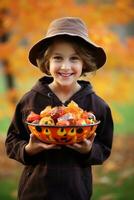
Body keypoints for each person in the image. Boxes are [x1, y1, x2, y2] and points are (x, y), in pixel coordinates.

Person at [5, 17, 113, 200]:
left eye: (74, 59)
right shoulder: (30, 101)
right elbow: (11, 141)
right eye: (58, 58)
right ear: (47, 62)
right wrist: (29, 149)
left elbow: (103, 149)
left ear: (84, 63)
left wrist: (88, 150)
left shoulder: (97, 106)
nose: (65, 66)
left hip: (76, 191)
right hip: (35, 191)